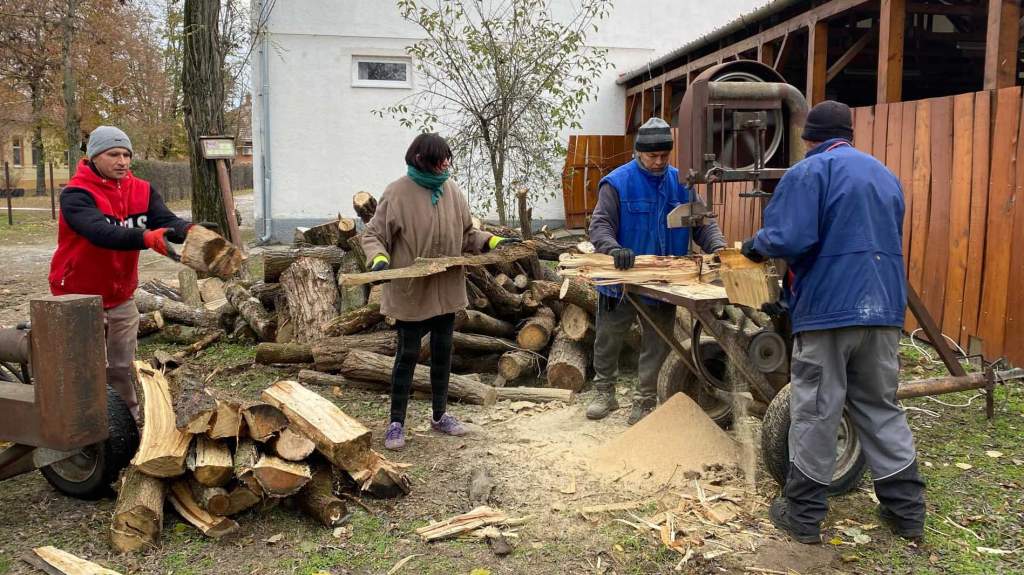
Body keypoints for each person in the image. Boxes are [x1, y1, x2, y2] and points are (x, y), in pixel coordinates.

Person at [741, 100, 925, 545]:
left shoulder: (808, 173)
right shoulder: (884, 175)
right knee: (880, 405)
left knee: (818, 408)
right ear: (849, 133)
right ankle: (908, 514)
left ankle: (802, 516)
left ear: (807, 138)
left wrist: (754, 246)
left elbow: (790, 237)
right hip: (882, 309)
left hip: (829, 311)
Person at [363, 133, 517, 450]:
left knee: (443, 354)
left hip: (446, 290)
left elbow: (468, 234)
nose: (446, 164)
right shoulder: (397, 192)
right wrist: (378, 259)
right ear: (422, 160)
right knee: (406, 355)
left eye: (448, 158)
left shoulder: (452, 191)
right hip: (410, 291)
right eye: (440, 159)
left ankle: (439, 415)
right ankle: (396, 423)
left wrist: (492, 242)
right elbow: (374, 235)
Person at [49, 126, 196, 421]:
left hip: (121, 295)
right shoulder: (76, 194)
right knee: (81, 366)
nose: (122, 161)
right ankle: (77, 421)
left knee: (122, 365)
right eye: (113, 154)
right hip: (77, 295)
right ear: (94, 157)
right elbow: (99, 232)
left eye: (127, 154)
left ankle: (129, 421)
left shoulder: (141, 189)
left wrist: (191, 231)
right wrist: (145, 238)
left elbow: (165, 220)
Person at [588, 117, 726, 425]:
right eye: (652, 156)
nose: (659, 162)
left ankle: (645, 399)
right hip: (620, 280)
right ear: (638, 152)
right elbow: (599, 226)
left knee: (657, 342)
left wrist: (718, 247)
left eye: (664, 156)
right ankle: (604, 391)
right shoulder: (617, 182)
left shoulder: (681, 183)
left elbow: (703, 223)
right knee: (609, 337)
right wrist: (613, 249)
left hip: (664, 281)